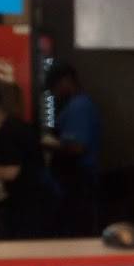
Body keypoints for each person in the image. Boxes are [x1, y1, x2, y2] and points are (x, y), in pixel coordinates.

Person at [45, 60, 103, 238]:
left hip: (78, 181)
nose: (54, 94)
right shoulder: (78, 105)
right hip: (77, 180)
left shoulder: (79, 107)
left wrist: (46, 143)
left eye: (55, 87)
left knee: (75, 232)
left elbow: (77, 147)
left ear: (66, 81)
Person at [0, 82, 58, 240]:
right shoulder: (19, 126)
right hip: (39, 200)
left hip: (28, 204)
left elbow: (11, 172)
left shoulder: (8, 130)